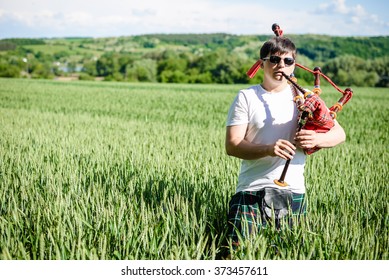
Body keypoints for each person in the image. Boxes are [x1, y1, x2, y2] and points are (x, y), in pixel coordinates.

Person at [225, 36, 346, 247]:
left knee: (287, 258)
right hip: (252, 189)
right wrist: (269, 149)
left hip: (294, 190)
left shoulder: (307, 98)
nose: (281, 65)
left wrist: (317, 138)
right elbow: (232, 145)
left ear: (294, 65)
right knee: (237, 254)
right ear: (261, 63)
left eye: (287, 61)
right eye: (274, 59)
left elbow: (339, 134)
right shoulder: (246, 97)